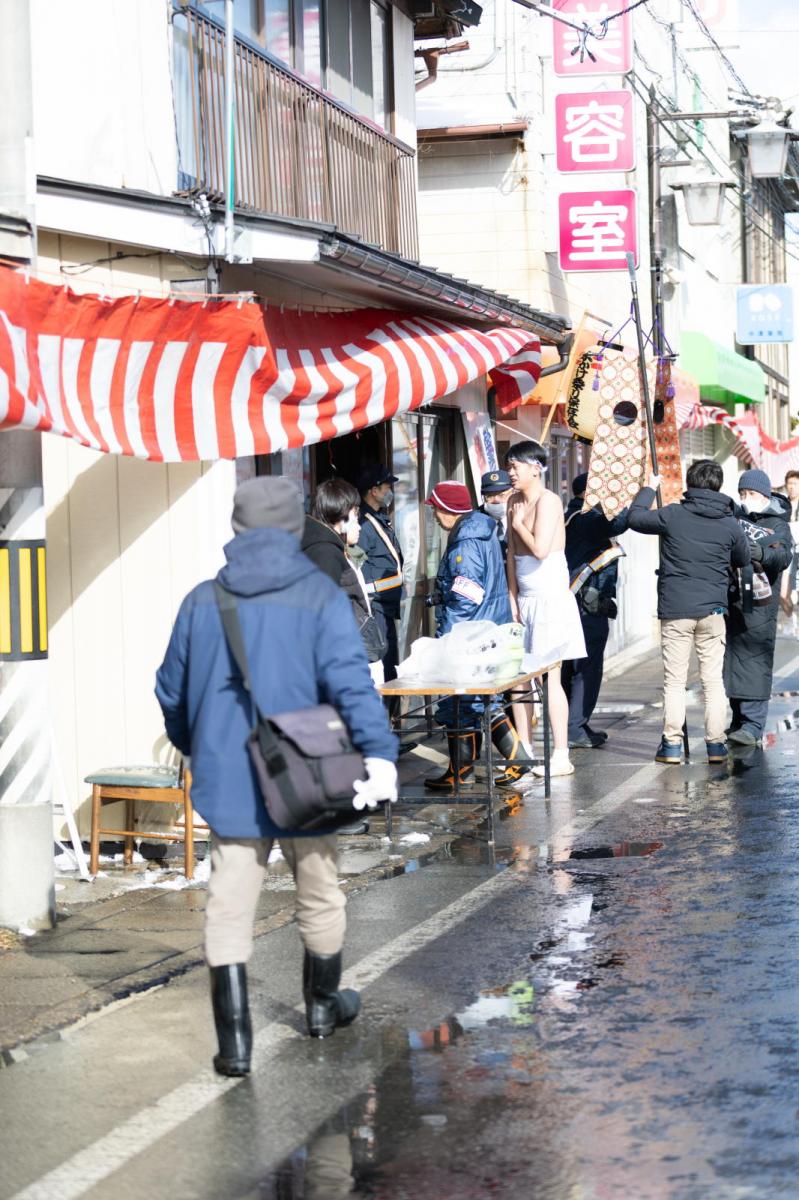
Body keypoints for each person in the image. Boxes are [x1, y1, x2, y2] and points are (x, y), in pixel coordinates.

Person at [155, 477, 397, 1076]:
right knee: (319, 893)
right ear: (294, 528)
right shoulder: (319, 598)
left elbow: (170, 691)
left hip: (230, 777)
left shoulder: (201, 601)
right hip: (306, 775)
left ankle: (234, 1045)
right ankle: (322, 1005)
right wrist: (380, 754)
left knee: (229, 908)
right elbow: (350, 684)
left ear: (236, 529)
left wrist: (195, 745)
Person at [628, 459, 751, 765]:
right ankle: (716, 745)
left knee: (674, 681)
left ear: (690, 483)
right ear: (719, 485)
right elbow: (743, 557)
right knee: (712, 681)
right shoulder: (729, 524)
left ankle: (671, 745)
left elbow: (635, 518)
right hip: (713, 610)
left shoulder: (673, 515)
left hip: (676, 609)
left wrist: (649, 488)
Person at [424, 479, 528, 791]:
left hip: (469, 635)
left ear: (447, 511)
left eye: (436, 511)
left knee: (459, 704)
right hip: (488, 629)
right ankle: (481, 765)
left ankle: (473, 769)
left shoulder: (465, 542)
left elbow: (464, 597)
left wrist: (448, 641)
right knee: (479, 702)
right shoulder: (482, 532)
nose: (434, 517)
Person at [506, 441, 586, 779]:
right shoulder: (513, 501)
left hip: (551, 597)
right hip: (524, 596)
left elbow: (538, 548)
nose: (511, 473)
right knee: (518, 679)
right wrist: (512, 601)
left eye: (516, 467)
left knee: (551, 676)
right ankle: (523, 748)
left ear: (535, 467)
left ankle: (561, 752)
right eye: (509, 467)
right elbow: (511, 555)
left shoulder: (550, 501)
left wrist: (518, 522)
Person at [725, 469, 793, 746]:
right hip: (733, 600)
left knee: (755, 660)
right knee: (732, 660)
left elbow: (784, 556)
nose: (746, 498)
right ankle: (739, 718)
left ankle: (753, 724)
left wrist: (763, 553)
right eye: (742, 494)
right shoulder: (734, 518)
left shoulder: (778, 524)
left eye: (751, 494)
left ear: (764, 495)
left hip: (762, 603)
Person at [562, 472, 629, 749]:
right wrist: (630, 501)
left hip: (581, 604)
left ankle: (577, 723)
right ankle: (574, 728)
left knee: (575, 668)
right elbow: (618, 524)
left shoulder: (576, 518)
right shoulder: (584, 519)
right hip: (584, 606)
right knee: (584, 669)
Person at [302, 478, 387, 686]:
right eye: (355, 517)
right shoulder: (325, 553)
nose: (359, 526)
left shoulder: (332, 548)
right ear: (340, 517)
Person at [357, 465, 404, 704]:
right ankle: (387, 728)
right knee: (383, 664)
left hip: (386, 605)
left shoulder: (378, 518)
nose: (389, 492)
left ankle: (392, 725)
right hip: (375, 607)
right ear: (374, 490)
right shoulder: (363, 525)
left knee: (390, 662)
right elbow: (357, 567)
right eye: (386, 487)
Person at [480, 469, 513, 562]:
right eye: (489, 496)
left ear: (513, 493)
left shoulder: (522, 518)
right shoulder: (476, 522)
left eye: (502, 495)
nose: (496, 500)